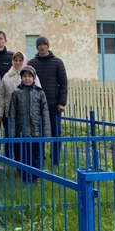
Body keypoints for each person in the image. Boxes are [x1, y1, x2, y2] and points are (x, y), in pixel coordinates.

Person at [28, 36, 68, 168]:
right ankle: (39, 158)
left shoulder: (57, 62)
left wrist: (62, 102)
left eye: (44, 44)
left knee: (55, 133)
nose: (42, 47)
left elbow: (63, 83)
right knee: (37, 133)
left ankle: (55, 160)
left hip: (53, 104)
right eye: (39, 44)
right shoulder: (32, 63)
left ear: (48, 46)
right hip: (36, 105)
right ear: (37, 47)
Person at [9, 66, 51, 178]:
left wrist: (46, 133)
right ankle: (24, 175)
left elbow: (45, 113)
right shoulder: (16, 93)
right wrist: (12, 131)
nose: (27, 79)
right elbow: (12, 114)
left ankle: (35, 176)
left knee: (36, 155)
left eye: (29, 76)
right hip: (21, 130)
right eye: (25, 76)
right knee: (23, 154)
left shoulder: (40, 93)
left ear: (33, 78)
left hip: (36, 130)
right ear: (21, 78)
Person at [0, 51, 37, 141]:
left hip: (26, 113)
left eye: (20, 60)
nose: (18, 63)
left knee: (23, 138)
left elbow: (37, 91)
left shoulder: (30, 74)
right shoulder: (7, 76)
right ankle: (8, 156)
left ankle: (21, 155)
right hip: (9, 112)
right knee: (10, 137)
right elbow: (1, 96)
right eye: (16, 60)